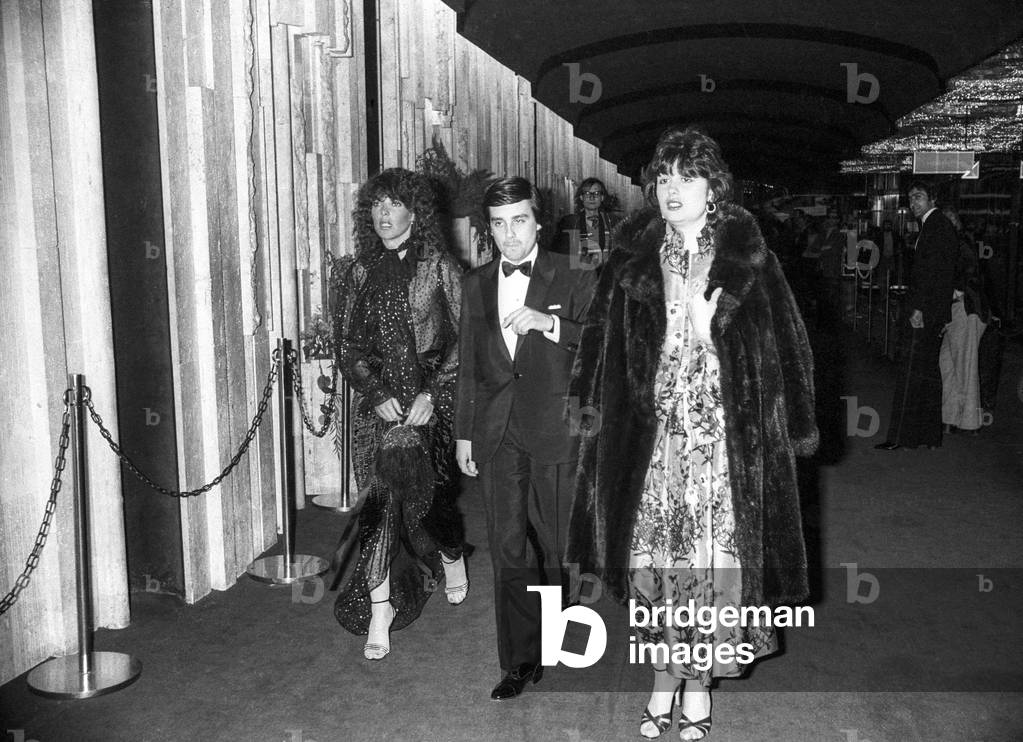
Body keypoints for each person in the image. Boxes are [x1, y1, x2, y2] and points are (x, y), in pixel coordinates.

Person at [566, 126, 818, 740]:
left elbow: (790, 346)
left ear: (715, 186)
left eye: (687, 176)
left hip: (723, 446)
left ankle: (698, 691)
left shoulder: (749, 257)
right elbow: (597, 339)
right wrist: (583, 411)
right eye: (665, 177)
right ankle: (661, 684)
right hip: (652, 443)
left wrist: (713, 337)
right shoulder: (632, 254)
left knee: (710, 567)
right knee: (657, 565)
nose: (673, 188)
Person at [454, 176, 597, 700]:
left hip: (555, 430)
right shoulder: (476, 283)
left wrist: (549, 324)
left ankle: (562, 632)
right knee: (508, 549)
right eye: (498, 224)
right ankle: (519, 660)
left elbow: (600, 345)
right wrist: (464, 436)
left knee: (559, 549)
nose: (509, 234)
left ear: (539, 220)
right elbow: (470, 364)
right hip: (496, 434)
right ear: (487, 229)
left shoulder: (574, 272)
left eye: (519, 220)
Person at [331, 168, 469, 660]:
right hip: (379, 410)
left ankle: (452, 555)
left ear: (415, 212)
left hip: (430, 407)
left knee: (434, 508)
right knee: (380, 507)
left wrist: (434, 394)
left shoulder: (439, 267)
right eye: (377, 205)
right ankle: (381, 607)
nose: (384, 214)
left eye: (393, 204)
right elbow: (346, 346)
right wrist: (372, 391)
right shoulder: (357, 272)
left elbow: (466, 339)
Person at [875, 181, 957, 451]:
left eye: (919, 196)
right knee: (926, 372)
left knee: (912, 371)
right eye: (910, 197)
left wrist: (919, 309)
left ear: (932, 199)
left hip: (924, 311)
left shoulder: (936, 227)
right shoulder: (936, 226)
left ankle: (901, 437)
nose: (913, 201)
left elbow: (932, 273)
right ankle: (927, 436)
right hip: (932, 310)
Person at [939, 206, 987, 433]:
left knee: (963, 367)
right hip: (960, 311)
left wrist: (955, 291)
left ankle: (968, 421)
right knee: (948, 364)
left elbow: (968, 273)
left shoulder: (958, 245)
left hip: (965, 311)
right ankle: (952, 417)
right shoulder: (955, 244)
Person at [550, 177, 618, 269]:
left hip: (604, 278)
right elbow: (560, 257)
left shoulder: (612, 222)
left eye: (596, 193)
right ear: (581, 197)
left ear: (602, 197)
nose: (592, 197)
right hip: (578, 278)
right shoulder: (571, 223)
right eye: (587, 193)